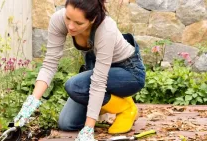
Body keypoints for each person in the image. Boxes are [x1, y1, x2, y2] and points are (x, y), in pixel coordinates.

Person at [13, 0, 146, 140]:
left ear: (92, 19)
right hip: (98, 72)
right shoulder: (58, 20)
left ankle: (126, 107)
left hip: (128, 72)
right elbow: (49, 63)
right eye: (68, 18)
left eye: (78, 23)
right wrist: (32, 102)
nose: (70, 26)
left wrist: (88, 129)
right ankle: (104, 106)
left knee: (75, 86)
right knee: (67, 123)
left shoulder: (106, 29)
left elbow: (98, 82)